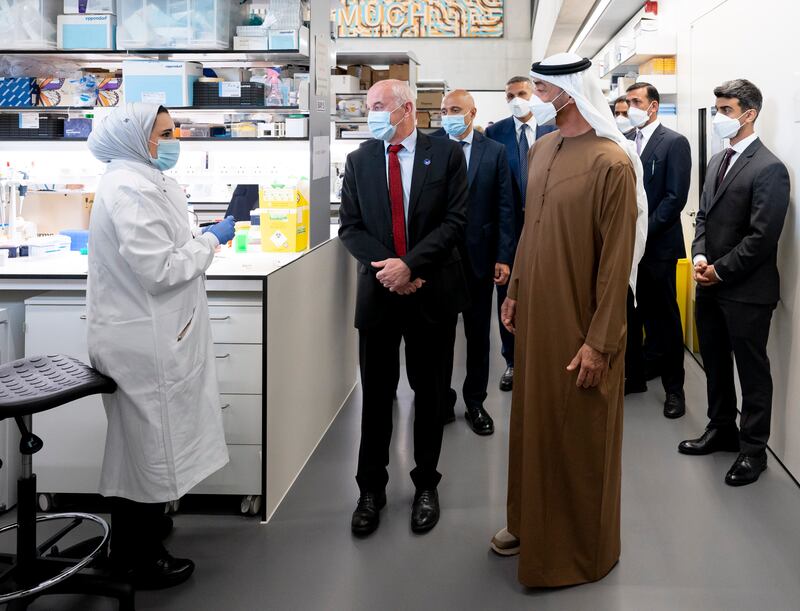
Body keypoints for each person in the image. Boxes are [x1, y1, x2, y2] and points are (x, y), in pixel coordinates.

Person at [490, 53, 648, 587]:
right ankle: (528, 523)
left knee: (579, 432)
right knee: (532, 423)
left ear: (568, 90)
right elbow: (531, 230)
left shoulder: (613, 162)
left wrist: (601, 343)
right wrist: (514, 292)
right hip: (536, 314)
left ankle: (579, 549)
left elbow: (617, 263)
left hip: (583, 322)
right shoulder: (540, 149)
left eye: (539, 86)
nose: (531, 95)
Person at [86, 103, 236, 588]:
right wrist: (210, 243)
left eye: (173, 132)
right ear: (134, 136)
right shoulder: (128, 186)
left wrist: (198, 239)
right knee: (150, 441)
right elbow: (160, 269)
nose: (173, 142)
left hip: (154, 332)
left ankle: (141, 533)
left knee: (144, 441)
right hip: (141, 338)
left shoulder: (145, 178)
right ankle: (139, 556)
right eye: (164, 133)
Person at [339, 80, 469, 536]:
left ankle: (426, 485)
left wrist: (411, 267)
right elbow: (350, 228)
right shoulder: (359, 161)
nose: (371, 113)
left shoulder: (447, 155)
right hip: (379, 294)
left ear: (405, 109)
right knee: (376, 397)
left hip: (431, 291)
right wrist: (390, 270)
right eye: (369, 107)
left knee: (431, 395)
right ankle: (370, 490)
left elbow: (456, 221)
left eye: (377, 106)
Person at [679, 79, 790, 487]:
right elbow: (704, 215)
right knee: (715, 363)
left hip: (746, 291)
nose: (719, 118)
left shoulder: (770, 168)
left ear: (749, 114)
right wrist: (702, 257)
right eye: (717, 110)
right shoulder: (716, 161)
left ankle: (753, 451)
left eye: (726, 110)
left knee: (752, 371)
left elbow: (763, 237)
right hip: (710, 284)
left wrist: (720, 269)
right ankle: (721, 428)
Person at [433, 89, 515, 436]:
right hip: (438, 260)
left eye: (455, 109)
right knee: (438, 336)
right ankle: (441, 399)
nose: (448, 115)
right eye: (443, 109)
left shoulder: (493, 152)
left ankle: (475, 401)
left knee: (478, 334)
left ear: (472, 112)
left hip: (480, 258)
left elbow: (505, 207)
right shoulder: (429, 146)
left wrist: (503, 256)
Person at [623, 82, 692, 419]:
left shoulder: (674, 143)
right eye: (627, 101)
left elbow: (674, 197)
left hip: (658, 246)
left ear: (653, 106)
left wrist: (642, 231)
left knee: (664, 319)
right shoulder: (624, 143)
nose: (630, 107)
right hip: (629, 249)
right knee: (632, 315)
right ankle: (635, 375)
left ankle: (674, 390)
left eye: (636, 101)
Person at [485, 76, 557, 392]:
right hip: (510, 227)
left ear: (534, 95)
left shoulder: (553, 127)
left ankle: (545, 360)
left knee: (549, 293)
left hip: (549, 224)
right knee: (508, 296)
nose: (517, 99)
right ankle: (512, 362)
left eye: (523, 93)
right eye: (511, 95)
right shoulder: (495, 133)